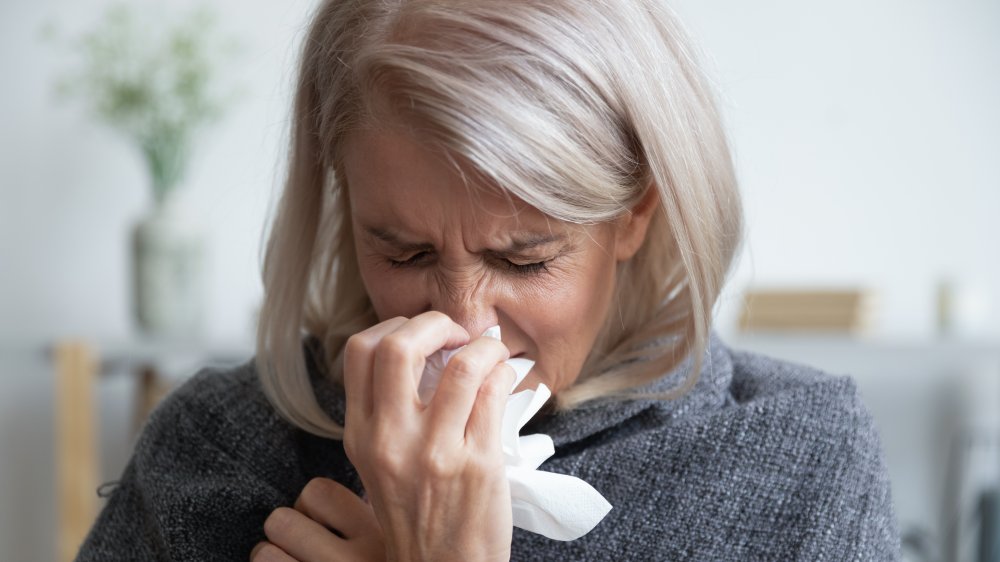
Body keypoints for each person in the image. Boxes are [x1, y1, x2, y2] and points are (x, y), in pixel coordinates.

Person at [77, 0, 900, 560]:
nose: (467, 328)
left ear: (636, 212)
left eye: (525, 258)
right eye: (404, 253)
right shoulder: (221, 448)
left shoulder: (800, 461)